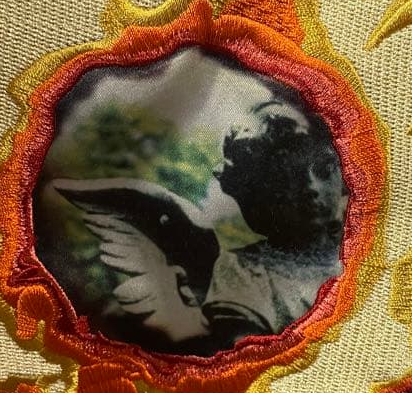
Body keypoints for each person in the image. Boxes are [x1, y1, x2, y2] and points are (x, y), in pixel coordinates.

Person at [56, 89, 348, 355]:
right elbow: (245, 356)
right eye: (287, 178)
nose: (311, 187)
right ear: (257, 193)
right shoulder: (244, 273)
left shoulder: (359, 252)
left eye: (324, 170)